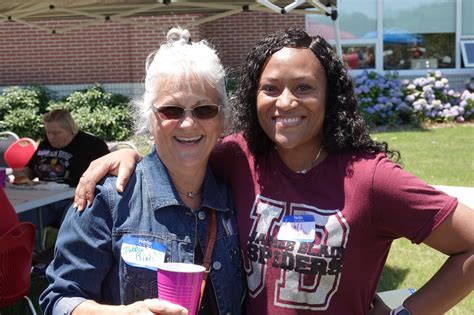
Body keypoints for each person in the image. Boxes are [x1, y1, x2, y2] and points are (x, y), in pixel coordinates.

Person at [73, 28, 474, 314]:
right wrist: (130, 156)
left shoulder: (369, 178)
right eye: (271, 88)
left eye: (303, 87)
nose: (285, 102)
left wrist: (406, 313)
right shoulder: (239, 158)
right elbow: (183, 144)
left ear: (329, 97)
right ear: (253, 96)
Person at [40, 28, 246, 315]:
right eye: (171, 110)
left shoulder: (236, 194)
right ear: (149, 119)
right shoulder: (107, 199)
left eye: (204, 110)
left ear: (222, 119)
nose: (188, 123)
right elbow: (59, 298)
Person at [17, 109, 110, 228]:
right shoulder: (46, 144)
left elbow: (107, 176)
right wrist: (20, 175)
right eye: (47, 132)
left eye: (55, 133)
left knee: (72, 224)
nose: (50, 137)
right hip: (42, 198)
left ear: (70, 130)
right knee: (19, 221)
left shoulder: (91, 145)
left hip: (74, 200)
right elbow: (30, 170)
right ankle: (30, 246)